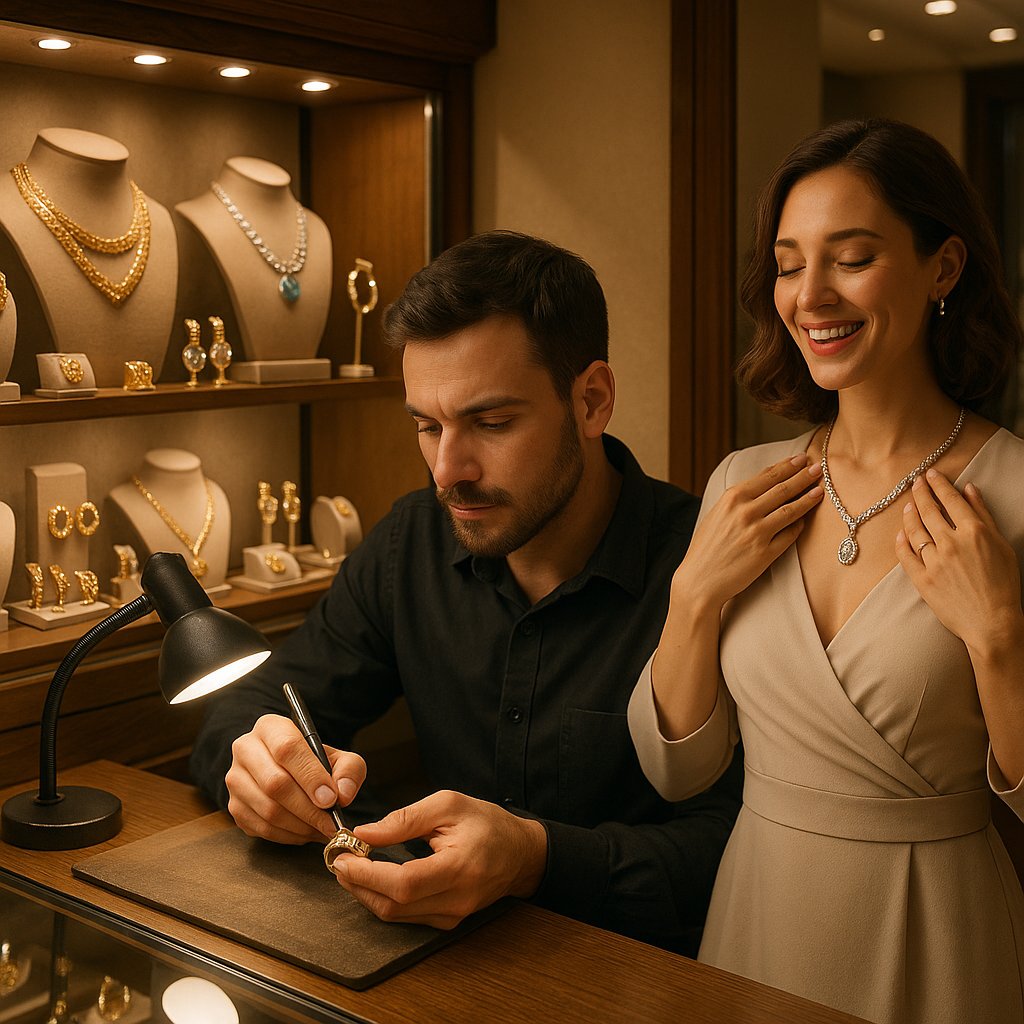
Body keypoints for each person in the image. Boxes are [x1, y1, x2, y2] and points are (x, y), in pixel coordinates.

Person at [190, 229, 742, 954]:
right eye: (427, 426)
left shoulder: (708, 568)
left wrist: (534, 857)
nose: (448, 470)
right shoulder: (411, 542)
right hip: (426, 971)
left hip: (641, 986)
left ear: (592, 400)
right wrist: (259, 764)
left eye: (491, 422)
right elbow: (255, 704)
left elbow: (737, 849)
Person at [628, 118, 1024, 1024]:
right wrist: (695, 596)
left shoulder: (1015, 495)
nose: (811, 296)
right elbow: (676, 774)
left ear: (944, 269)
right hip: (756, 921)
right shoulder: (741, 484)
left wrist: (1000, 637)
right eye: (789, 262)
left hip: (940, 940)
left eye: (851, 257)